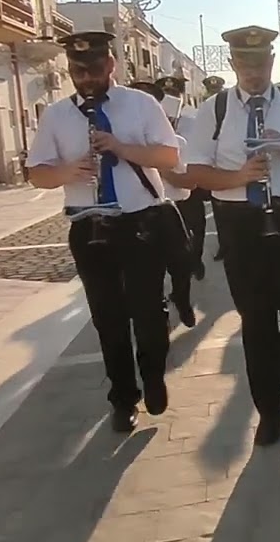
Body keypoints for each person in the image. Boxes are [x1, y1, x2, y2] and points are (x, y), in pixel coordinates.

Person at [26, 31, 180, 432]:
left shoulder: (140, 105)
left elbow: (168, 156)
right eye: (78, 71)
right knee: (108, 319)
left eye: (95, 69)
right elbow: (36, 173)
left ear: (110, 65)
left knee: (148, 315)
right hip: (89, 223)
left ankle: (153, 376)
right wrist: (67, 171)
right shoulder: (58, 115)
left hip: (140, 222)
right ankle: (123, 398)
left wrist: (121, 147)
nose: (87, 78)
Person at [185, 26, 280, 446]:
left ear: (271, 61)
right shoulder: (213, 110)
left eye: (260, 62)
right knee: (257, 317)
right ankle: (269, 410)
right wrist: (238, 176)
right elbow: (194, 172)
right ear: (232, 64)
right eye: (244, 64)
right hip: (240, 220)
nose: (253, 71)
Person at [141, 76, 200, 328]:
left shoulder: (178, 142)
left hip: (174, 210)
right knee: (145, 273)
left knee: (180, 265)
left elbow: (189, 182)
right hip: (138, 213)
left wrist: (161, 170)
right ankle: (157, 313)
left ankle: (182, 300)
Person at [199, 75, 227, 263]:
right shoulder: (205, 111)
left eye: (216, 91)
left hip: (226, 169)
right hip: (211, 171)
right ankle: (224, 244)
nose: (213, 94)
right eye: (211, 91)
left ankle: (227, 244)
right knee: (219, 212)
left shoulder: (226, 109)